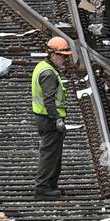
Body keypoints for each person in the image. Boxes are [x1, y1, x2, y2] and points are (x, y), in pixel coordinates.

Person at [31, 36, 73, 200]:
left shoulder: (42, 67)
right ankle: (42, 188)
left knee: (53, 154)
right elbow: (49, 100)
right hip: (49, 120)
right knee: (49, 154)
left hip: (44, 118)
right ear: (53, 54)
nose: (65, 59)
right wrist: (57, 119)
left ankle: (51, 186)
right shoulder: (48, 73)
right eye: (63, 56)